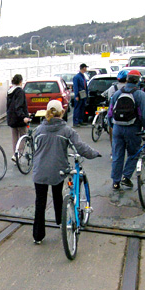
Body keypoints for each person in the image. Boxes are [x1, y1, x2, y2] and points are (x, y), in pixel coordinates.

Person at [31, 100, 99, 244]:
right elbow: (80, 147)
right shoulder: (66, 130)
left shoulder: (38, 130)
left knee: (40, 202)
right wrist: (94, 153)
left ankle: (38, 236)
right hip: (58, 170)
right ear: (62, 112)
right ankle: (60, 222)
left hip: (39, 171)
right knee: (57, 195)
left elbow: (34, 147)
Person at [109, 70, 145, 190]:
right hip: (133, 128)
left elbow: (110, 113)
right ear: (138, 81)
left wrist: (112, 126)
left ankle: (116, 181)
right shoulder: (140, 95)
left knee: (117, 154)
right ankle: (126, 176)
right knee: (134, 153)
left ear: (127, 79)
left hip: (117, 127)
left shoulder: (117, 93)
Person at [6, 74, 31, 162]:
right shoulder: (20, 92)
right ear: (20, 82)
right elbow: (19, 106)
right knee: (23, 137)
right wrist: (24, 116)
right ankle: (19, 154)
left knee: (15, 138)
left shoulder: (9, 91)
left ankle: (15, 154)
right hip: (19, 119)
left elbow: (10, 106)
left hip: (11, 119)